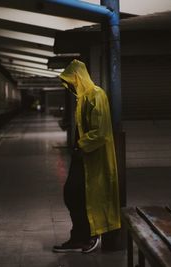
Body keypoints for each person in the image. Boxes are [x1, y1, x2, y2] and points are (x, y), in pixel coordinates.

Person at [53, 59, 121, 253]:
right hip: (82, 156)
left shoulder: (96, 95)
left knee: (76, 194)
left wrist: (81, 147)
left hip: (91, 157)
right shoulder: (82, 98)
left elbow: (101, 132)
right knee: (74, 195)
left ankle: (89, 236)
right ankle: (81, 236)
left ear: (78, 77)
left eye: (71, 81)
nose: (70, 86)